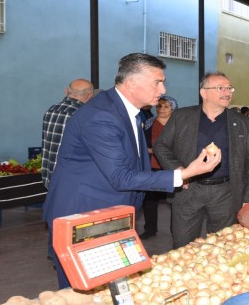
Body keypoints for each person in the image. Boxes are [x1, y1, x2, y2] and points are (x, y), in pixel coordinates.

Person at [43, 53, 221, 289]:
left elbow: (135, 163)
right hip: (84, 217)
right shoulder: (102, 116)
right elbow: (120, 176)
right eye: (157, 82)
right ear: (131, 83)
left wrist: (173, 174)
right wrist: (184, 174)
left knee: (111, 288)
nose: (163, 88)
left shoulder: (130, 111)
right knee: (82, 292)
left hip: (109, 212)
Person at [154, 72, 249, 249]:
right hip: (188, 191)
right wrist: (180, 172)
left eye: (229, 88)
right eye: (221, 88)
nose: (227, 92)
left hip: (226, 193)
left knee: (224, 245)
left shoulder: (243, 122)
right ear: (203, 92)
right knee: (183, 245)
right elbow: (161, 146)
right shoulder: (181, 117)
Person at [41, 78, 94, 189]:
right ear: (89, 96)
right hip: (72, 181)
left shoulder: (51, 110)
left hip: (50, 177)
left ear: (66, 91)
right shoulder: (84, 115)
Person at [139, 95, 179, 240]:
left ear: (173, 109)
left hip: (172, 168)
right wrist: (150, 150)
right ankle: (150, 229)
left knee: (176, 201)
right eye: (159, 106)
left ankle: (176, 230)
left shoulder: (178, 125)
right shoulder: (149, 123)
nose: (161, 109)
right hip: (152, 167)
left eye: (166, 106)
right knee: (149, 201)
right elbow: (141, 144)